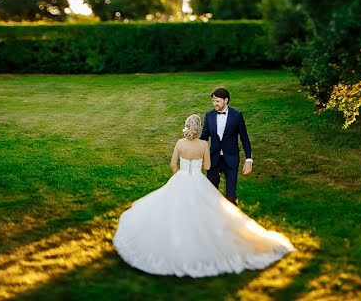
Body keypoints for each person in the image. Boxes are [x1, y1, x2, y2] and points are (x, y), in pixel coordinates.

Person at [112, 114, 295, 277]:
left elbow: (173, 164)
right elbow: (207, 167)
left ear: (186, 126)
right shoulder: (203, 145)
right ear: (199, 129)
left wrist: (179, 175)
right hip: (197, 180)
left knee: (172, 210)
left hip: (181, 179)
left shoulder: (179, 143)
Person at [200, 86, 252, 205]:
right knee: (211, 193)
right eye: (213, 101)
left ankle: (231, 221)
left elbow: (244, 139)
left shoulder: (237, 116)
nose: (214, 104)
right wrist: (192, 147)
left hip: (231, 159)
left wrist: (248, 159)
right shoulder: (209, 115)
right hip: (213, 159)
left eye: (217, 101)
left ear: (226, 100)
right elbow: (204, 137)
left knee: (231, 196)